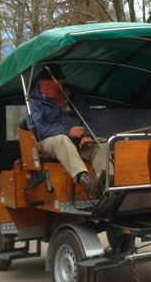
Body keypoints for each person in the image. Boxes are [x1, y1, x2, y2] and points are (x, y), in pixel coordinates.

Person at [28, 63, 108, 198]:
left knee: (101, 144)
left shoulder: (74, 94)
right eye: (42, 84)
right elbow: (38, 128)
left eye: (48, 84)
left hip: (76, 141)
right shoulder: (34, 100)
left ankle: (107, 183)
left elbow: (86, 117)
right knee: (62, 140)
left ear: (60, 83)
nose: (44, 88)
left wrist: (86, 135)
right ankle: (86, 180)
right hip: (48, 142)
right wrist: (67, 131)